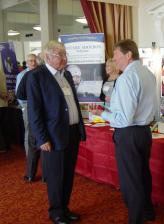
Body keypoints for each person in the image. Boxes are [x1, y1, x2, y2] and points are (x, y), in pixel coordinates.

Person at [26, 40, 86, 224]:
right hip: (52, 137)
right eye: (61, 55)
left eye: (65, 54)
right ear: (47, 57)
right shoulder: (36, 76)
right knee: (55, 176)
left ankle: (65, 208)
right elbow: (34, 112)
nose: (65, 58)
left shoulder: (66, 74)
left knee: (67, 175)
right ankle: (56, 212)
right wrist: (41, 138)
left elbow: (72, 104)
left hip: (71, 133)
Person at [100, 39, 157, 224]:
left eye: (116, 55)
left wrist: (102, 114)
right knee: (142, 173)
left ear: (128, 55)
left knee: (130, 181)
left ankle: (136, 219)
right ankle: (148, 211)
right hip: (144, 133)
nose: (114, 59)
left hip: (129, 133)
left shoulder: (126, 78)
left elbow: (124, 119)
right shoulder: (148, 73)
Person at [15, 53, 41, 182]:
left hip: (36, 110)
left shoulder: (39, 73)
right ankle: (29, 159)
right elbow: (19, 95)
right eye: (30, 61)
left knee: (33, 137)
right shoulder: (22, 75)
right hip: (28, 108)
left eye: (34, 60)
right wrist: (25, 107)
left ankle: (32, 172)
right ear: (26, 62)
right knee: (30, 135)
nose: (33, 63)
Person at [0, 69, 9, 153]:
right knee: (3, 126)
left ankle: (2, 147)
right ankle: (5, 146)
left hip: (2, 102)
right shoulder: (2, 72)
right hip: (4, 103)